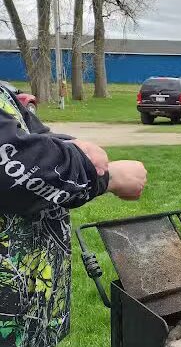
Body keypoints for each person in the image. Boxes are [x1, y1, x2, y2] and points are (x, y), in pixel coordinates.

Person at [0, 82, 147, 346]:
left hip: (25, 306)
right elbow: (13, 163)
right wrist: (105, 179)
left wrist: (70, 143)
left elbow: (26, 130)